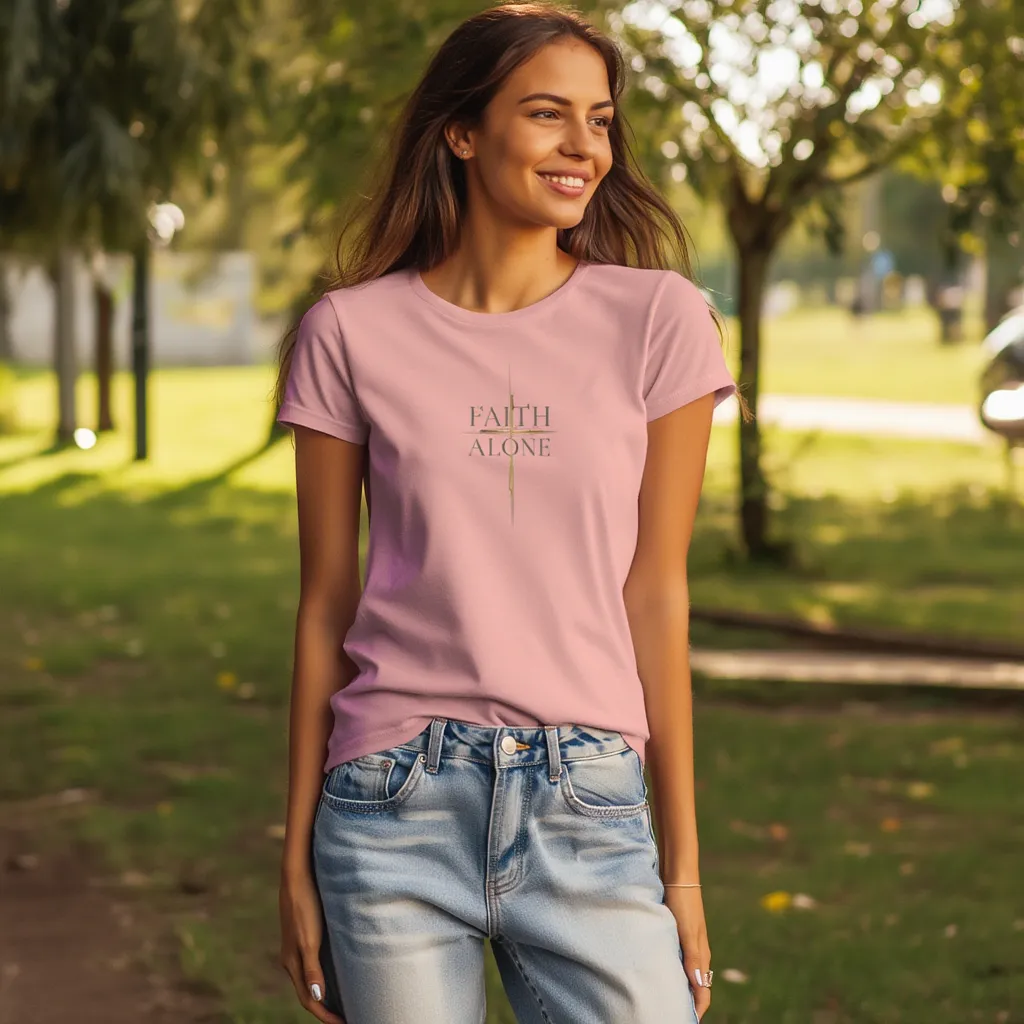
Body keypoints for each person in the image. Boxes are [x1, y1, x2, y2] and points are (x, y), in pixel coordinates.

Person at [274, 3, 737, 1022]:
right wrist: (297, 851)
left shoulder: (659, 320)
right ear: (463, 130)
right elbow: (323, 606)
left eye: (602, 120)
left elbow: (656, 593)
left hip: (588, 800)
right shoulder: (348, 333)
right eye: (547, 115)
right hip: (391, 800)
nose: (584, 147)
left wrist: (684, 869)